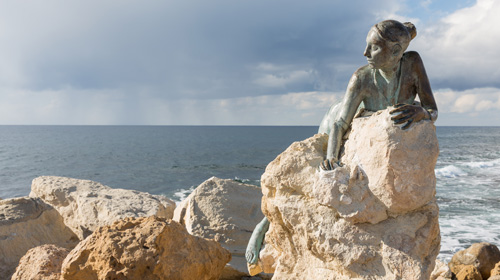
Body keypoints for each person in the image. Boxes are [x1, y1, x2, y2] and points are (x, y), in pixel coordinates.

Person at [245, 19, 438, 265]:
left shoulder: (412, 64)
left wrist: (421, 112)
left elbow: (432, 109)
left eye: (374, 47)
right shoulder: (362, 77)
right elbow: (339, 124)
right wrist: (331, 157)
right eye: (367, 46)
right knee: (305, 172)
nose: (365, 53)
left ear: (396, 52)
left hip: (375, 128)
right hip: (338, 118)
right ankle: (263, 226)